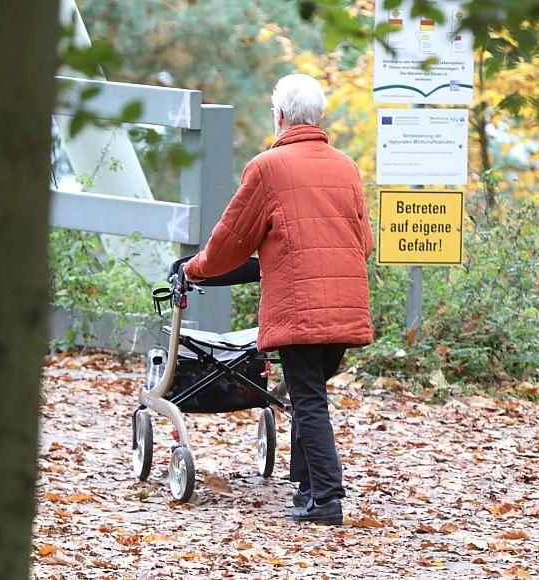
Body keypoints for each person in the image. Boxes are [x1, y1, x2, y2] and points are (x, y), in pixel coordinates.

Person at [184, 73, 373, 525]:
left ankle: (325, 499)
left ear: (281, 117)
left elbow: (230, 243)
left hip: (300, 306)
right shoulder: (346, 166)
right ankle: (308, 488)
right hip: (346, 304)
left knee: (307, 398)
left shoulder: (267, 168)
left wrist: (193, 269)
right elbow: (363, 243)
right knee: (311, 392)